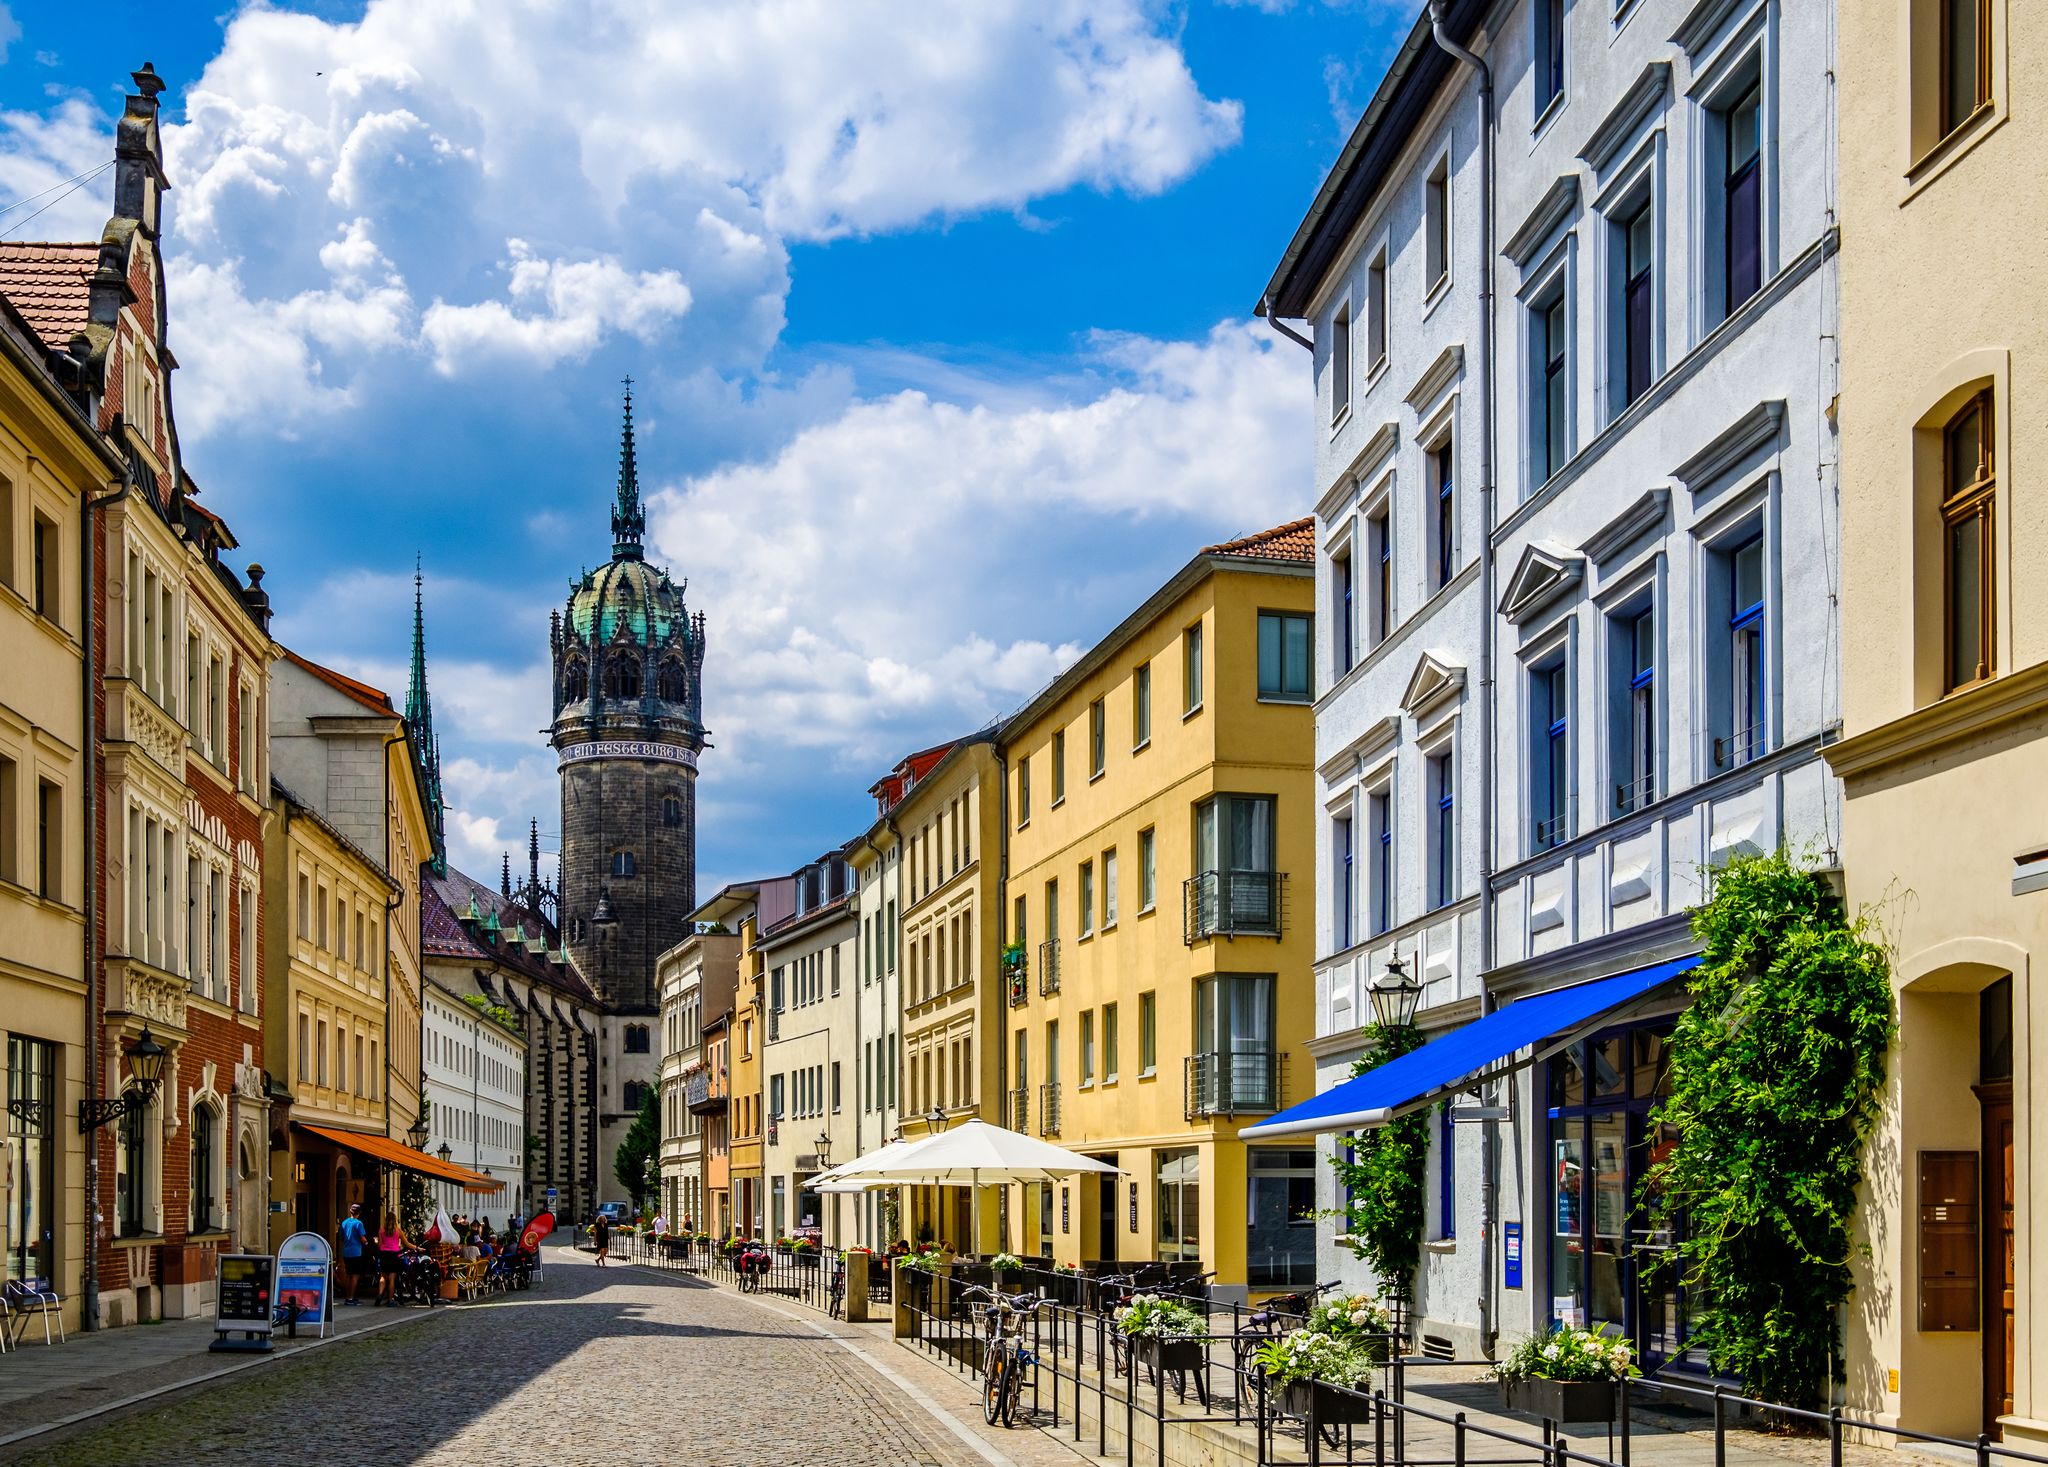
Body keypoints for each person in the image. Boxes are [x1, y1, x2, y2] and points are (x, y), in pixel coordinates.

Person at [337, 1203, 370, 1306]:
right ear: (359, 1213)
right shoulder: (358, 1223)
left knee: (348, 1275)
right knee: (355, 1276)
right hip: (356, 1252)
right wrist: (367, 1243)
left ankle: (348, 1297)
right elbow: (362, 1238)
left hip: (346, 1252)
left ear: (350, 1212)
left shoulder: (344, 1223)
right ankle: (350, 1298)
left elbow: (341, 1237)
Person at [376, 1211, 410, 1305]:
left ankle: (380, 1294)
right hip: (394, 1255)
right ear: (395, 1220)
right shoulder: (398, 1231)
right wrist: (417, 1248)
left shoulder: (381, 1230)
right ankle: (390, 1300)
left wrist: (378, 1244)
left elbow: (379, 1244)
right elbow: (406, 1243)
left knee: (383, 1276)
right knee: (392, 1278)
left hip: (384, 1254)